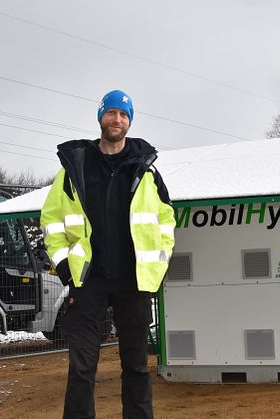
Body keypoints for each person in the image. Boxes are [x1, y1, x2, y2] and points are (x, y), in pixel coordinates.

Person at [41, 89, 175, 419]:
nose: (117, 119)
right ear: (100, 116)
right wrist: (66, 271)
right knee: (82, 367)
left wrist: (155, 269)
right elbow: (51, 222)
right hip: (89, 281)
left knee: (137, 366)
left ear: (129, 122)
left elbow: (166, 222)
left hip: (134, 281)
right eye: (111, 112)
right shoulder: (75, 168)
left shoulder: (147, 172)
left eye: (124, 114)